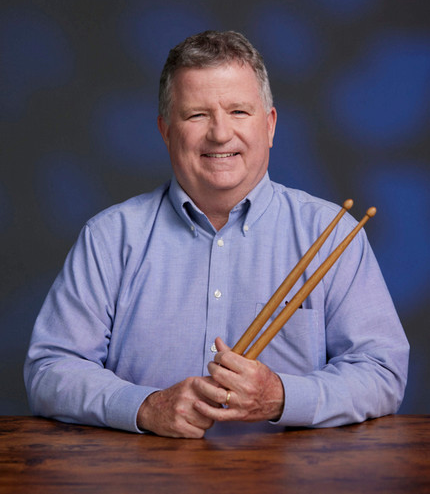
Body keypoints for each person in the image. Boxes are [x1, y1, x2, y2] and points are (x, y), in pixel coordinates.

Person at [24, 30, 409, 438]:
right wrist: (145, 407)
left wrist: (282, 396)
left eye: (239, 112)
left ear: (270, 125)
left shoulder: (331, 235)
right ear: (165, 130)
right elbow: (50, 371)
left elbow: (381, 373)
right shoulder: (110, 237)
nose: (220, 134)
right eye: (196, 115)